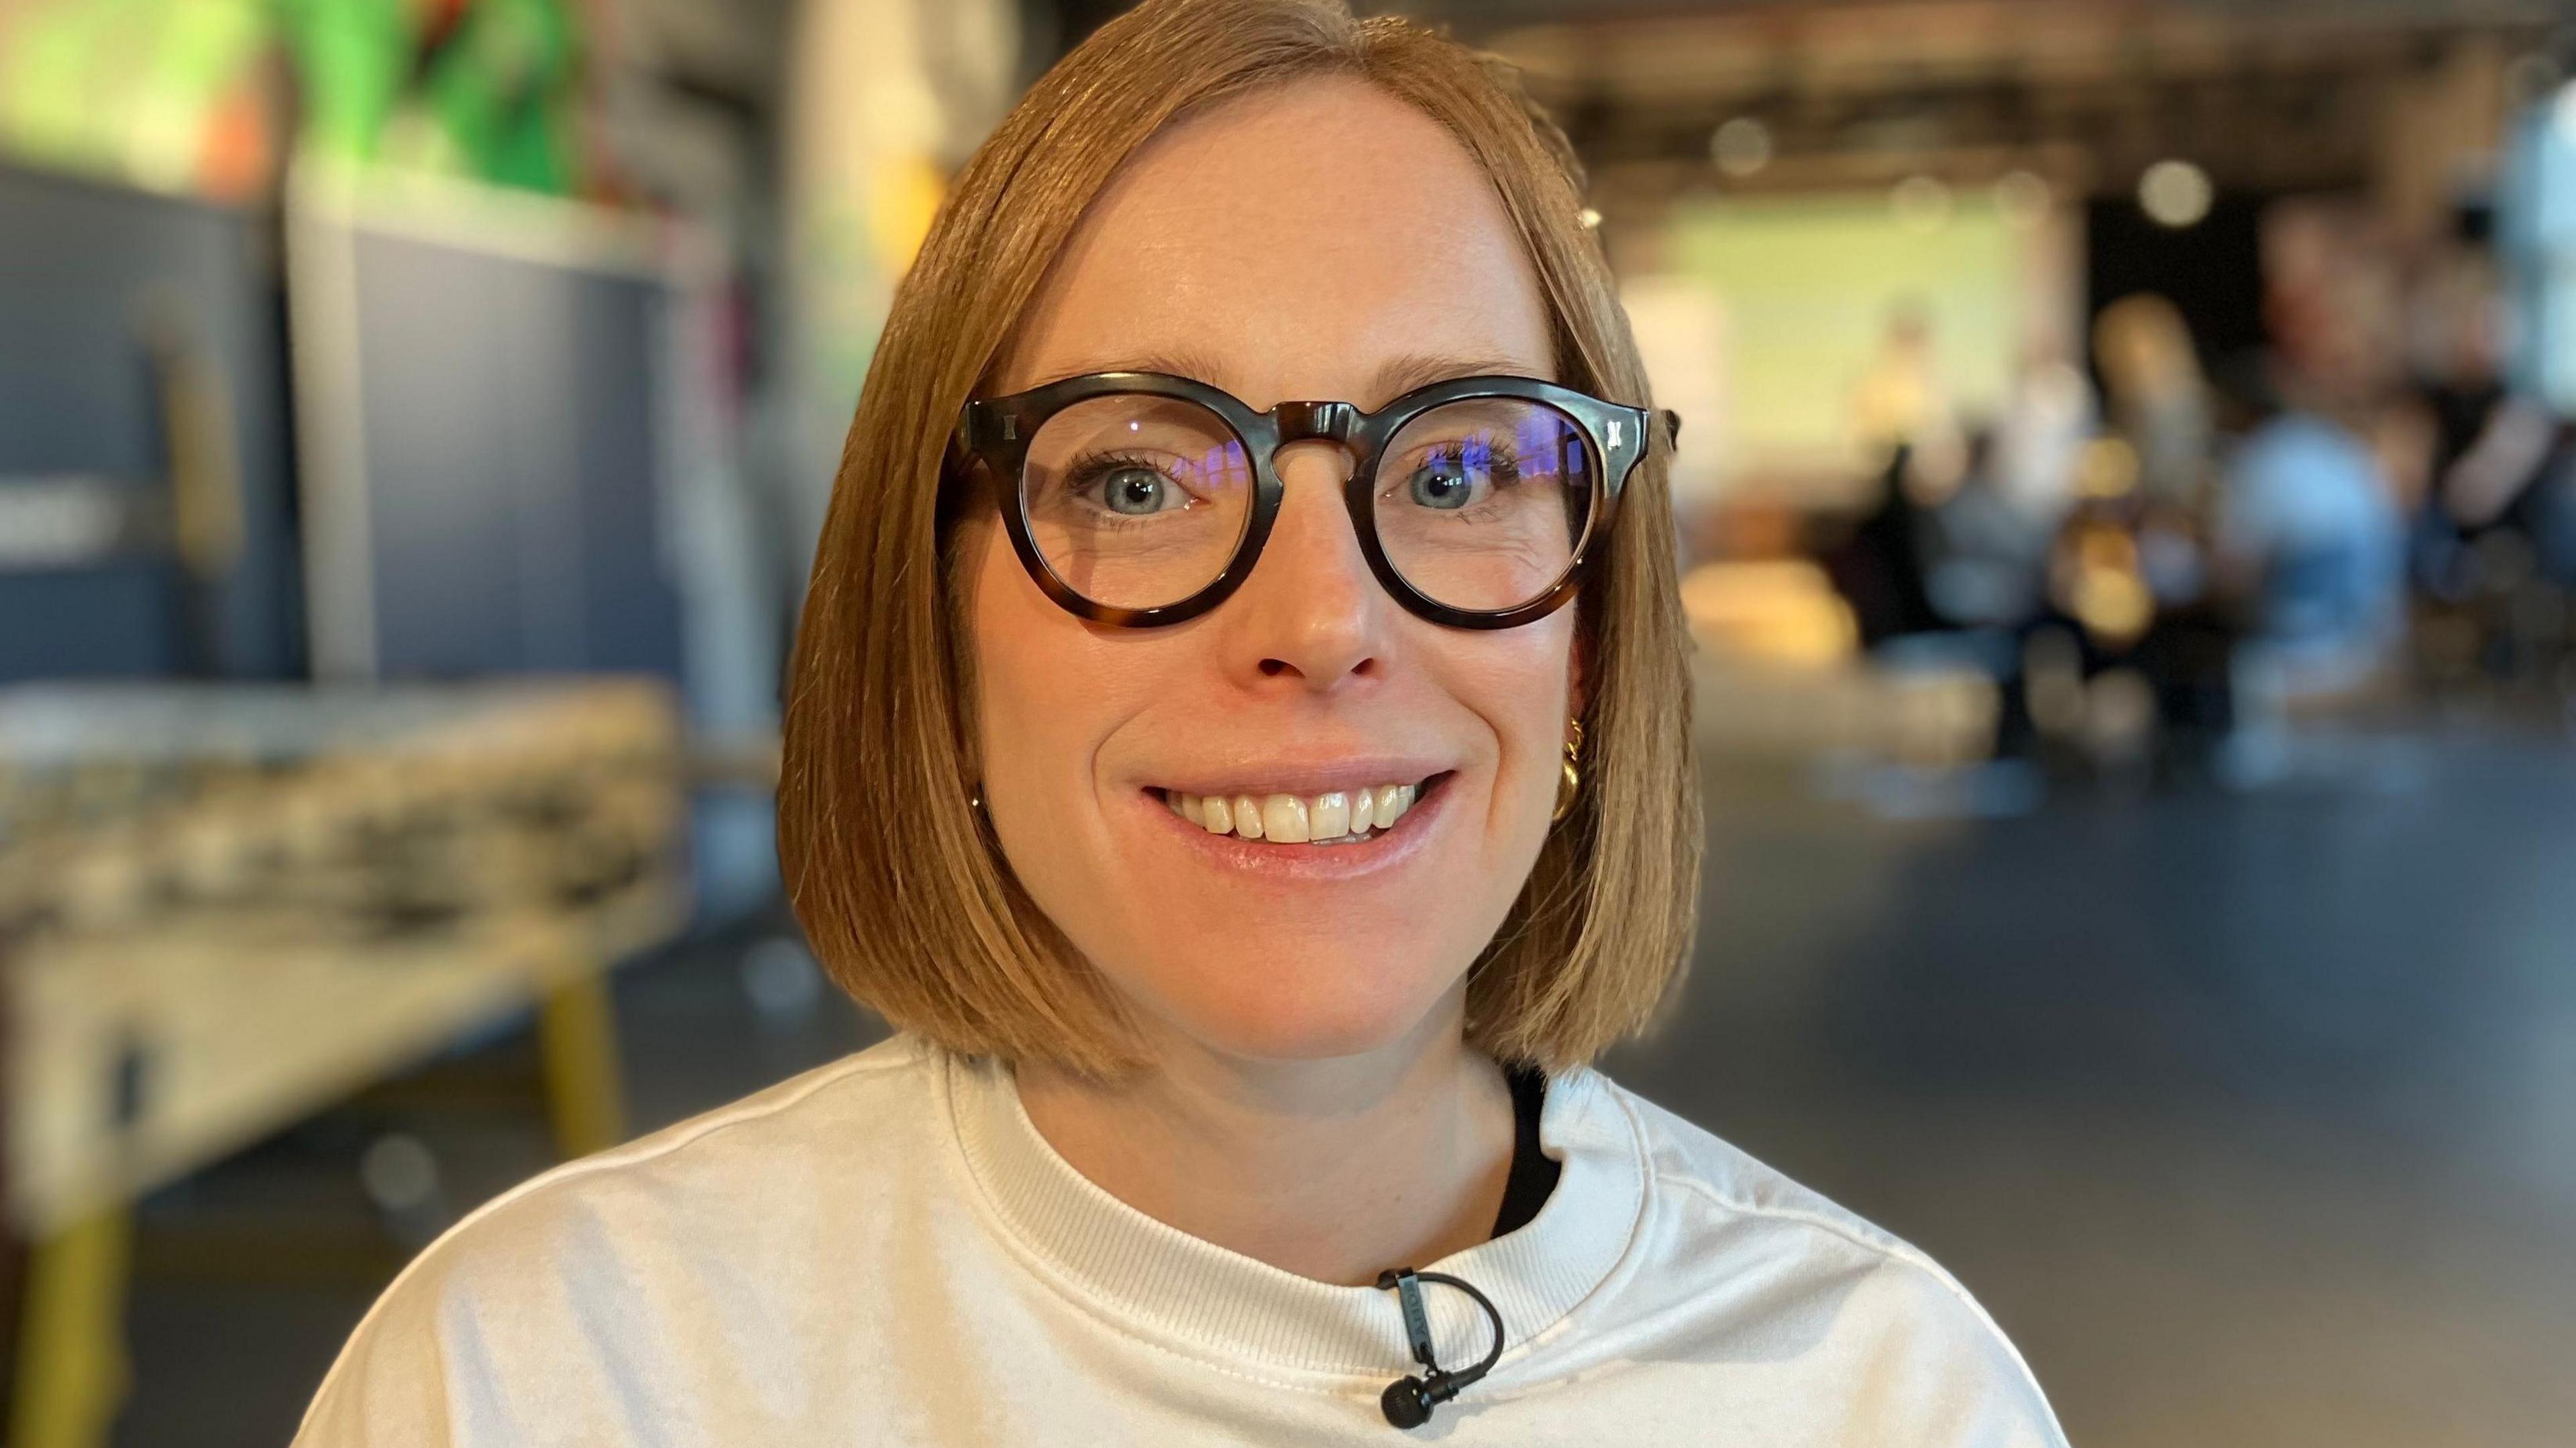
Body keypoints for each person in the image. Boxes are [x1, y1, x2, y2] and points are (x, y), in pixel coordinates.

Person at [294, 3, 2066, 1441]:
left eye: (1452, 464)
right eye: (1138, 478)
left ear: (1593, 631)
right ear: (937, 626)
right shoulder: (552, 1379)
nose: (1319, 624)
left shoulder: (1885, 1397)